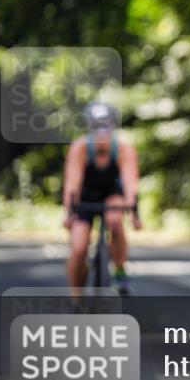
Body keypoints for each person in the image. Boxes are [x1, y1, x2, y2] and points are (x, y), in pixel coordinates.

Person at [62, 101, 141, 294]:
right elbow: (72, 184)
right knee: (79, 247)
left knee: (115, 220)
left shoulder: (123, 149)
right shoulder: (80, 148)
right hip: (85, 198)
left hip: (112, 195)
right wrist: (69, 213)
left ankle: (119, 270)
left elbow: (130, 183)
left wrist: (134, 214)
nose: (101, 133)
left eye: (106, 127)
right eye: (97, 127)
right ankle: (76, 295)